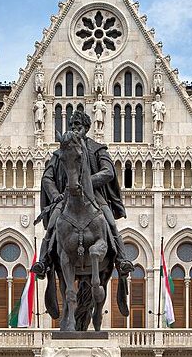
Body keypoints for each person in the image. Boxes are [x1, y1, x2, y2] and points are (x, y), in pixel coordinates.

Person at [31, 106, 132, 279]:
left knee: (110, 222)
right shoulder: (60, 153)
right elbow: (47, 178)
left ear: (86, 127)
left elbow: (108, 172)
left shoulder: (98, 149)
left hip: (94, 197)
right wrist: (56, 196)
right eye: (71, 125)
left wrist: (86, 183)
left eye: (77, 125)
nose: (74, 128)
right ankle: (43, 260)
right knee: (53, 224)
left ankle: (121, 260)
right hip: (66, 197)